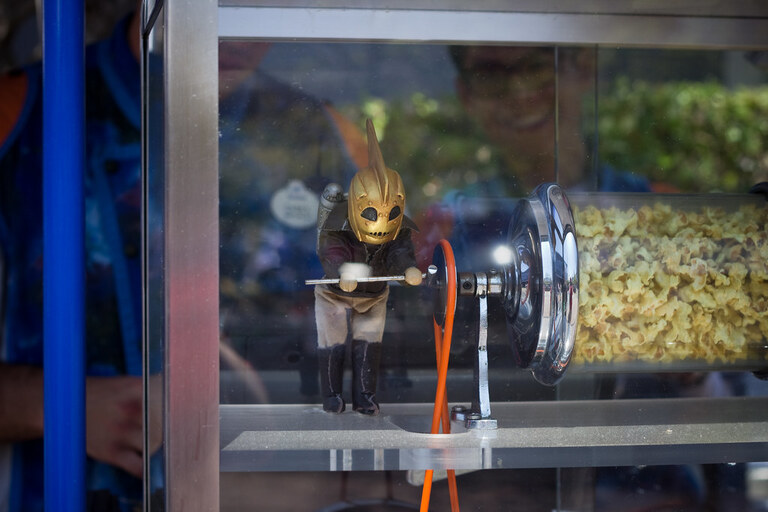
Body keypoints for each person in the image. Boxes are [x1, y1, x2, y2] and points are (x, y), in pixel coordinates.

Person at [0, 9, 366, 512]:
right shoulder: (20, 111)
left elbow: (365, 323)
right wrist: (53, 404)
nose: (236, 28)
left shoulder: (316, 131)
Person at [313, 120, 422, 415]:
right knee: (332, 344)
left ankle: (365, 397)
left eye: (392, 213)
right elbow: (331, 250)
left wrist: (408, 269)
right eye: (372, 214)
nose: (381, 223)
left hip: (374, 295)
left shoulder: (398, 228)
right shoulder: (337, 222)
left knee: (369, 346)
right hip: (333, 294)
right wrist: (341, 272)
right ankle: (332, 395)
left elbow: (400, 251)